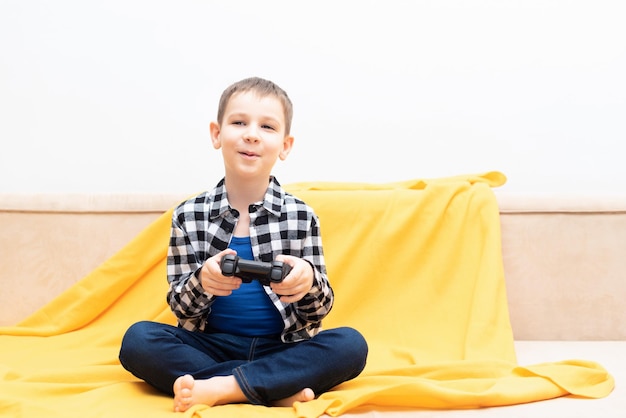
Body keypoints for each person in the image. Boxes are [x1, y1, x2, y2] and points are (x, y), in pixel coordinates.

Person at [118, 76, 368, 412]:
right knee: (138, 340)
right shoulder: (189, 216)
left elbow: (318, 312)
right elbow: (180, 308)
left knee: (351, 345)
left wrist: (307, 281)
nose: (251, 133)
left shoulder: (301, 216)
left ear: (285, 146)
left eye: (267, 126)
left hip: (283, 347)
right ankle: (271, 388)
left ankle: (221, 386)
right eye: (239, 122)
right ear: (216, 134)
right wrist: (202, 282)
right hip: (209, 345)